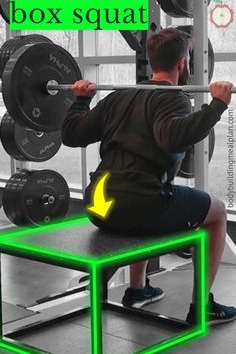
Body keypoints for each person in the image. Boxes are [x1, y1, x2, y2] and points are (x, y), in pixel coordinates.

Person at [62, 28, 236, 325]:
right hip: (135, 206)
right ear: (183, 62)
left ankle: (139, 289)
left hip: (99, 205)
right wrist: (217, 105)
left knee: (148, 191)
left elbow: (71, 133)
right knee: (216, 211)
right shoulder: (173, 99)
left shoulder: (120, 96)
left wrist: (80, 100)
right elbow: (173, 138)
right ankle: (201, 307)